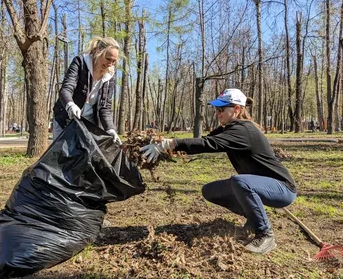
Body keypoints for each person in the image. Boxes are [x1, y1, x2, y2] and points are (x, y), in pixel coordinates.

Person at [140, 88, 297, 254]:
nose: (217, 113)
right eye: (216, 109)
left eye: (221, 109)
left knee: (240, 182)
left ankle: (266, 235)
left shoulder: (243, 130)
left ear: (236, 109)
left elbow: (209, 145)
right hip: (260, 185)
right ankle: (254, 218)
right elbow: (203, 141)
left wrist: (168, 144)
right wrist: (164, 146)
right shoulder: (229, 128)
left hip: (282, 188)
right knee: (210, 191)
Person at [53, 36, 122, 144]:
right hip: (65, 118)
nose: (110, 64)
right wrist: (70, 105)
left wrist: (110, 128)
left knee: (85, 158)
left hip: (89, 124)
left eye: (114, 61)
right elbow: (66, 89)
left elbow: (105, 107)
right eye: (108, 59)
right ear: (98, 52)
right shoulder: (80, 62)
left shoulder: (110, 76)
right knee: (62, 156)